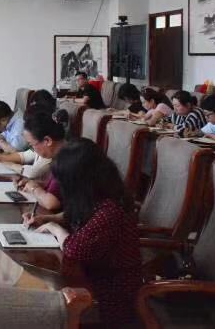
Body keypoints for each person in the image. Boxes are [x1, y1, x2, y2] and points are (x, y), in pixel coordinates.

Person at [33, 138, 142, 327]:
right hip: (93, 274)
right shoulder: (100, 195)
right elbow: (75, 216)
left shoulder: (110, 210)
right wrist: (47, 219)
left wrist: (54, 228)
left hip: (110, 293)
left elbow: (74, 249)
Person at [13, 113, 66, 211]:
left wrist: (33, 188)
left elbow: (51, 203)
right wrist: (34, 183)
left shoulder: (67, 160)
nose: (33, 150)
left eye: (31, 145)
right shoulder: (61, 154)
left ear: (47, 141)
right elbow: (58, 189)